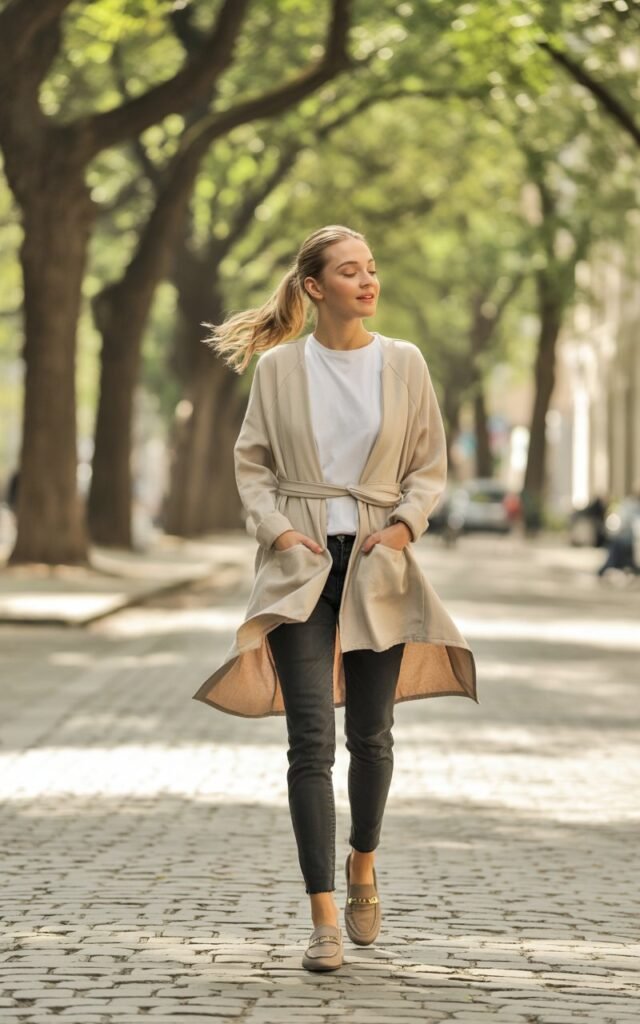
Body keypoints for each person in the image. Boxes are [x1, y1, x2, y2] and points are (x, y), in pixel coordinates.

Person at [193, 224, 477, 971]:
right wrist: (279, 532)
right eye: (350, 271)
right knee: (310, 743)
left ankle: (362, 865)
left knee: (372, 737)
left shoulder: (405, 363)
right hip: (302, 569)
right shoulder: (281, 370)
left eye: (371, 269)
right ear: (315, 288)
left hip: (378, 564)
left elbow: (428, 463)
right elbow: (251, 463)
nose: (367, 280)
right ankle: (322, 919)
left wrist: (406, 527)